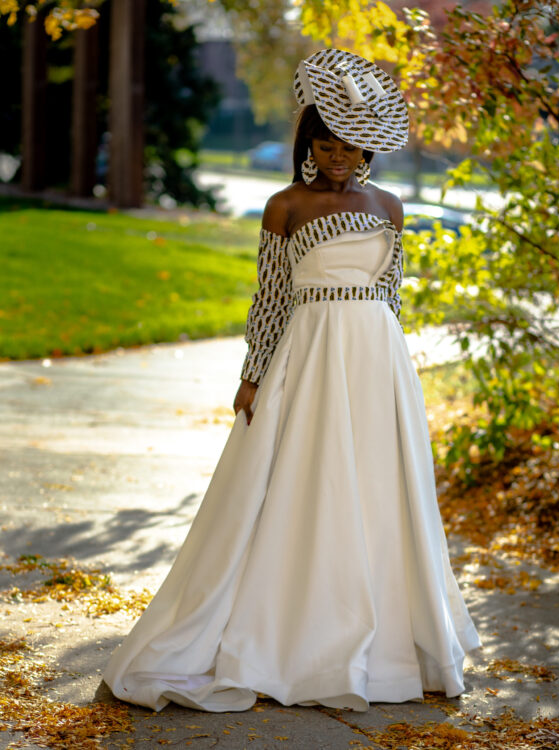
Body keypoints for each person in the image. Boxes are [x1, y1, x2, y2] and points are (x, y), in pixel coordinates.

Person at [103, 48, 480, 714]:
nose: (339, 156)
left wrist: (399, 374)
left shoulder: (390, 206)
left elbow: (392, 295)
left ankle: (391, 642)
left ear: (368, 148)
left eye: (351, 145)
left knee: (377, 485)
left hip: (377, 359)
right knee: (308, 478)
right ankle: (293, 633)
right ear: (310, 144)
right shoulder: (285, 206)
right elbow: (271, 300)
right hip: (308, 356)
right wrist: (252, 376)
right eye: (327, 144)